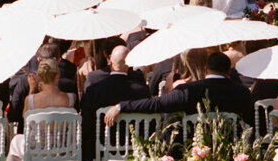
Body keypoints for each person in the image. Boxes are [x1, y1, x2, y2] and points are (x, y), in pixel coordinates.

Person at [105, 50, 255, 127]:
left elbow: (156, 104)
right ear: (229, 71)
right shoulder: (242, 93)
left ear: (205, 69)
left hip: (194, 151)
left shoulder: (189, 91)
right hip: (232, 149)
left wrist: (122, 105)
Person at [2, 58, 76, 161]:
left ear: (40, 77)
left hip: (37, 153)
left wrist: (32, 90)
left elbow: (25, 118)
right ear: (58, 75)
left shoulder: (31, 100)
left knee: (17, 141)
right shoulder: (70, 98)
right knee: (19, 142)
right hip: (64, 151)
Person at [80, 44, 148, 161]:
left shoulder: (94, 90)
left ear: (110, 63)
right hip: (134, 145)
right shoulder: (142, 90)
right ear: (129, 65)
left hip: (102, 146)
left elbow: (86, 122)